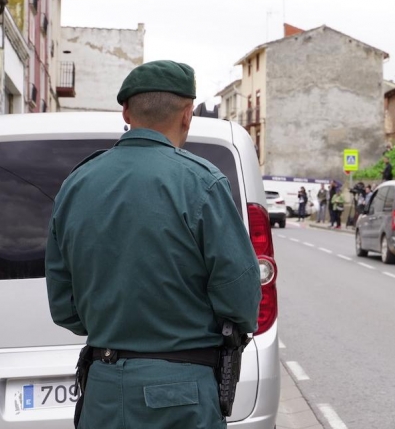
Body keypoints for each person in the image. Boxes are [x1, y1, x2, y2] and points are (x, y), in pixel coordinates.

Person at [45, 60, 262, 429]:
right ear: (188, 114)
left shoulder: (76, 185)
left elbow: (64, 309)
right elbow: (241, 297)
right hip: (183, 393)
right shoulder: (203, 182)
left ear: (126, 111)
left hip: (103, 390)